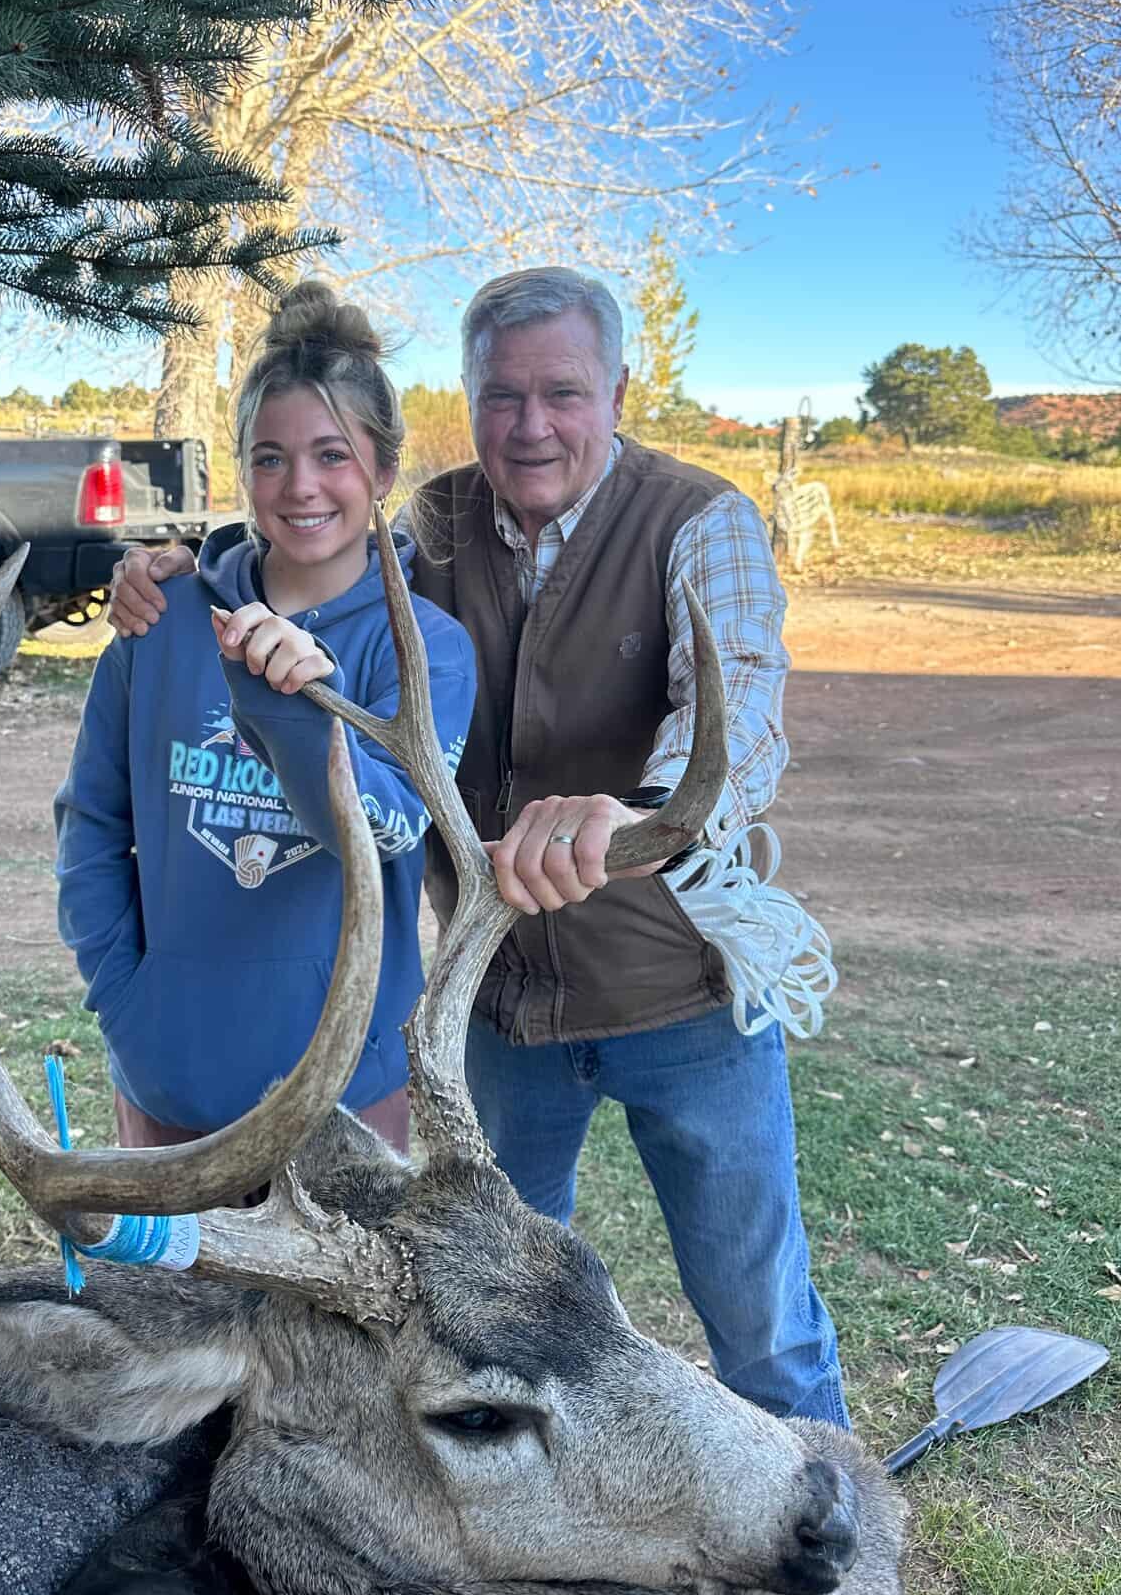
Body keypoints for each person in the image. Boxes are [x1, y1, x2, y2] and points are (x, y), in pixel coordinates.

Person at [108, 266, 846, 1429]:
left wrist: (636, 814)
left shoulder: (703, 522)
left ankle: (834, 1523)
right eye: (502, 396)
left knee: (760, 1321)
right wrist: (179, 569)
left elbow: (740, 713)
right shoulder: (436, 524)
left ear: (618, 391)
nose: (531, 425)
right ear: (469, 399)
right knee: (490, 1315)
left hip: (682, 994)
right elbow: (310, 522)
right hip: (497, 1012)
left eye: (563, 393)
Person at [55, 282, 476, 1157]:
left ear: (383, 473)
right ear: (244, 472)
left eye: (333, 455)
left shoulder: (428, 650)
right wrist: (121, 993)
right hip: (168, 1075)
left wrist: (291, 713)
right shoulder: (160, 619)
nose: (301, 486)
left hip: (348, 1098)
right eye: (271, 458)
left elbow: (391, 831)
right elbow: (92, 818)